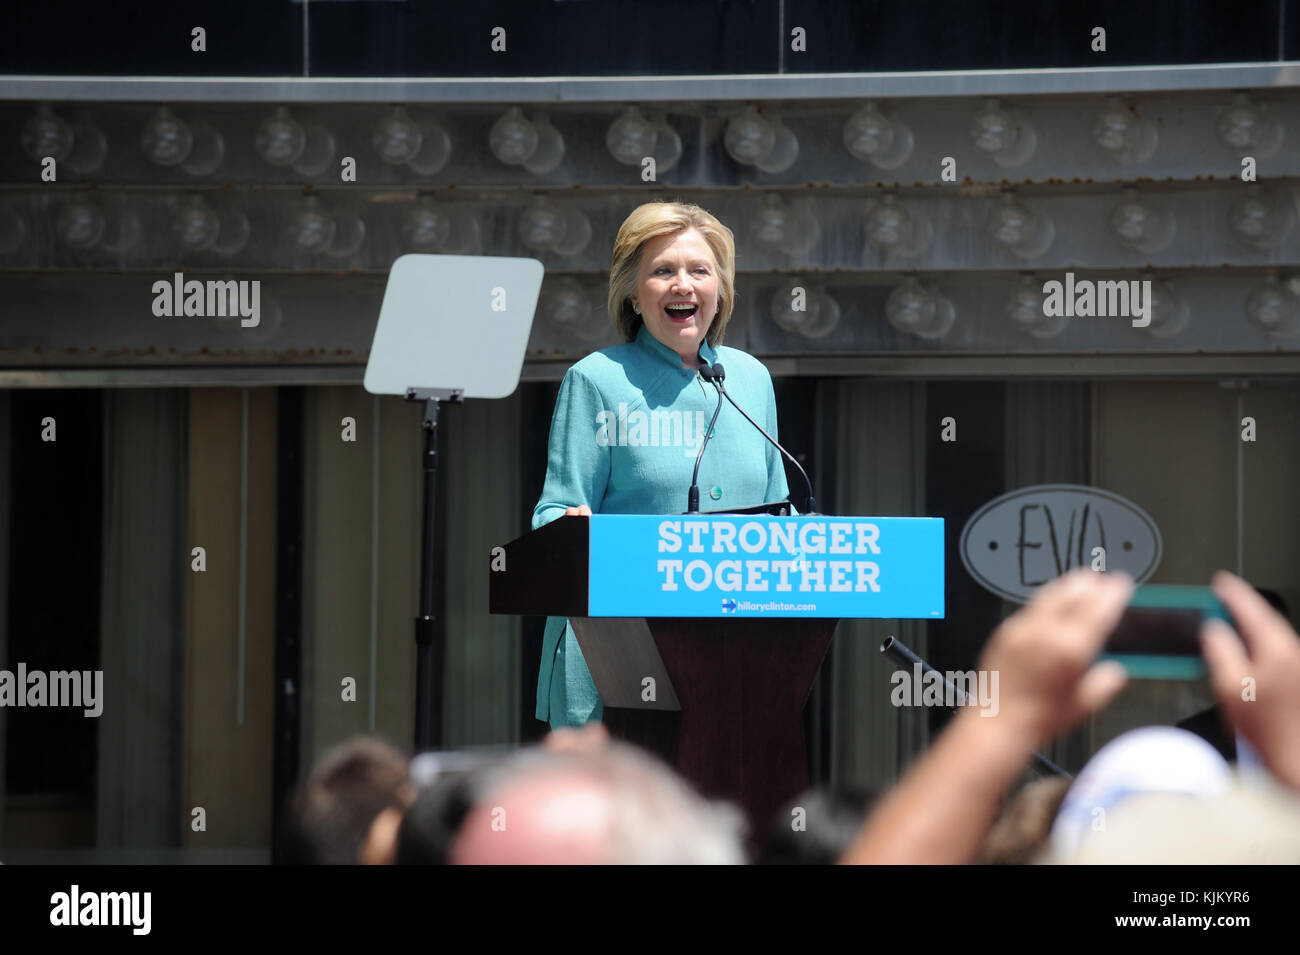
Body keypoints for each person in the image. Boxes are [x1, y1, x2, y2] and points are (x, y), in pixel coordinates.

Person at [531, 201, 794, 728]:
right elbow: (554, 514)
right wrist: (568, 530)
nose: (683, 285)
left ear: (720, 288)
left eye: (699, 270)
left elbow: (781, 519)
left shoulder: (750, 380)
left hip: (735, 656)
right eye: (662, 271)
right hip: (618, 661)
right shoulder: (597, 380)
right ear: (632, 291)